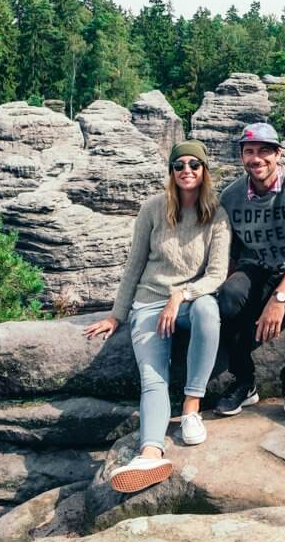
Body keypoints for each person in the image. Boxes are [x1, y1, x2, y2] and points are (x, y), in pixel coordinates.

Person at [83, 140, 230, 493]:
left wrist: (181, 295)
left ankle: (191, 408)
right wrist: (117, 315)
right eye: (179, 165)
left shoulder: (217, 215)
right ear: (171, 172)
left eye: (194, 164)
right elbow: (134, 265)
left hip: (190, 302)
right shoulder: (152, 209)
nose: (187, 171)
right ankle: (150, 453)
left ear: (204, 171)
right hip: (149, 305)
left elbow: (217, 274)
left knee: (209, 308)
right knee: (153, 379)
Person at [215, 122, 285, 424]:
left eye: (264, 151)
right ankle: (244, 381)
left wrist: (278, 299)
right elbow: (228, 251)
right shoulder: (231, 196)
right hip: (256, 269)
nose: (257, 158)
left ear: (278, 154)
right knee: (227, 296)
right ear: (241, 157)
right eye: (249, 151)